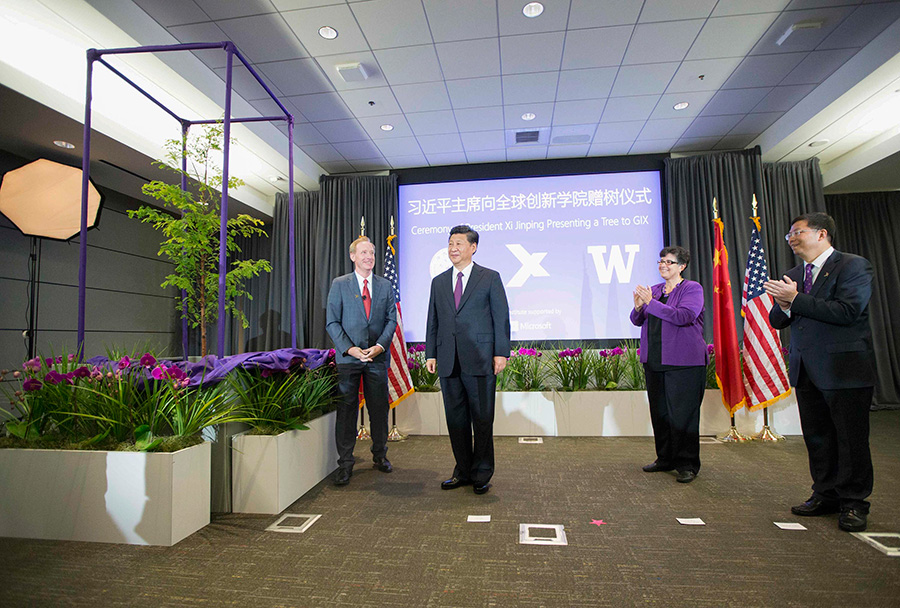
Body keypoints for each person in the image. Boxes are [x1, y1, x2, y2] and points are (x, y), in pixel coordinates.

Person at [764, 212, 875, 532]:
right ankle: (825, 493)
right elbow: (778, 320)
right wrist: (785, 304)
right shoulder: (793, 274)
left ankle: (854, 501)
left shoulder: (853, 266)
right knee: (818, 437)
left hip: (844, 369)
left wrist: (796, 299)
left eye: (797, 232)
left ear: (822, 233)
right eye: (788, 236)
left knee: (850, 438)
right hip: (806, 369)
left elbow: (848, 310)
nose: (791, 239)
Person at [425, 225, 511, 495]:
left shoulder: (490, 277)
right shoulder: (438, 281)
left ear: (473, 247)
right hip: (449, 360)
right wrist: (431, 353)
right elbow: (433, 320)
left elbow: (501, 318)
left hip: (481, 358)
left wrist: (501, 352)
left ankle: (482, 473)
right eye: (450, 243)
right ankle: (462, 471)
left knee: (482, 418)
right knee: (456, 419)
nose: (453, 248)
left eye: (459, 243)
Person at [630, 246, 707, 484]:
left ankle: (687, 464)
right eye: (661, 261)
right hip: (655, 359)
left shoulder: (691, 288)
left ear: (682, 266)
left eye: (669, 262)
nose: (663, 265)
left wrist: (650, 303)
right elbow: (636, 320)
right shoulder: (653, 291)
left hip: (684, 362)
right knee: (660, 413)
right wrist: (639, 306)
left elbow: (684, 316)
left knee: (682, 415)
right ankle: (664, 458)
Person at [325, 236, 397, 486]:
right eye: (364, 252)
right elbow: (332, 322)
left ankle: (380, 456)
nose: (369, 257)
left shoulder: (385, 286)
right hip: (349, 360)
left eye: (373, 253)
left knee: (379, 410)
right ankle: (345, 464)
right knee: (346, 413)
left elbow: (391, 321)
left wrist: (378, 347)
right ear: (353, 256)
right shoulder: (339, 284)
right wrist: (350, 349)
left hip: (377, 359)